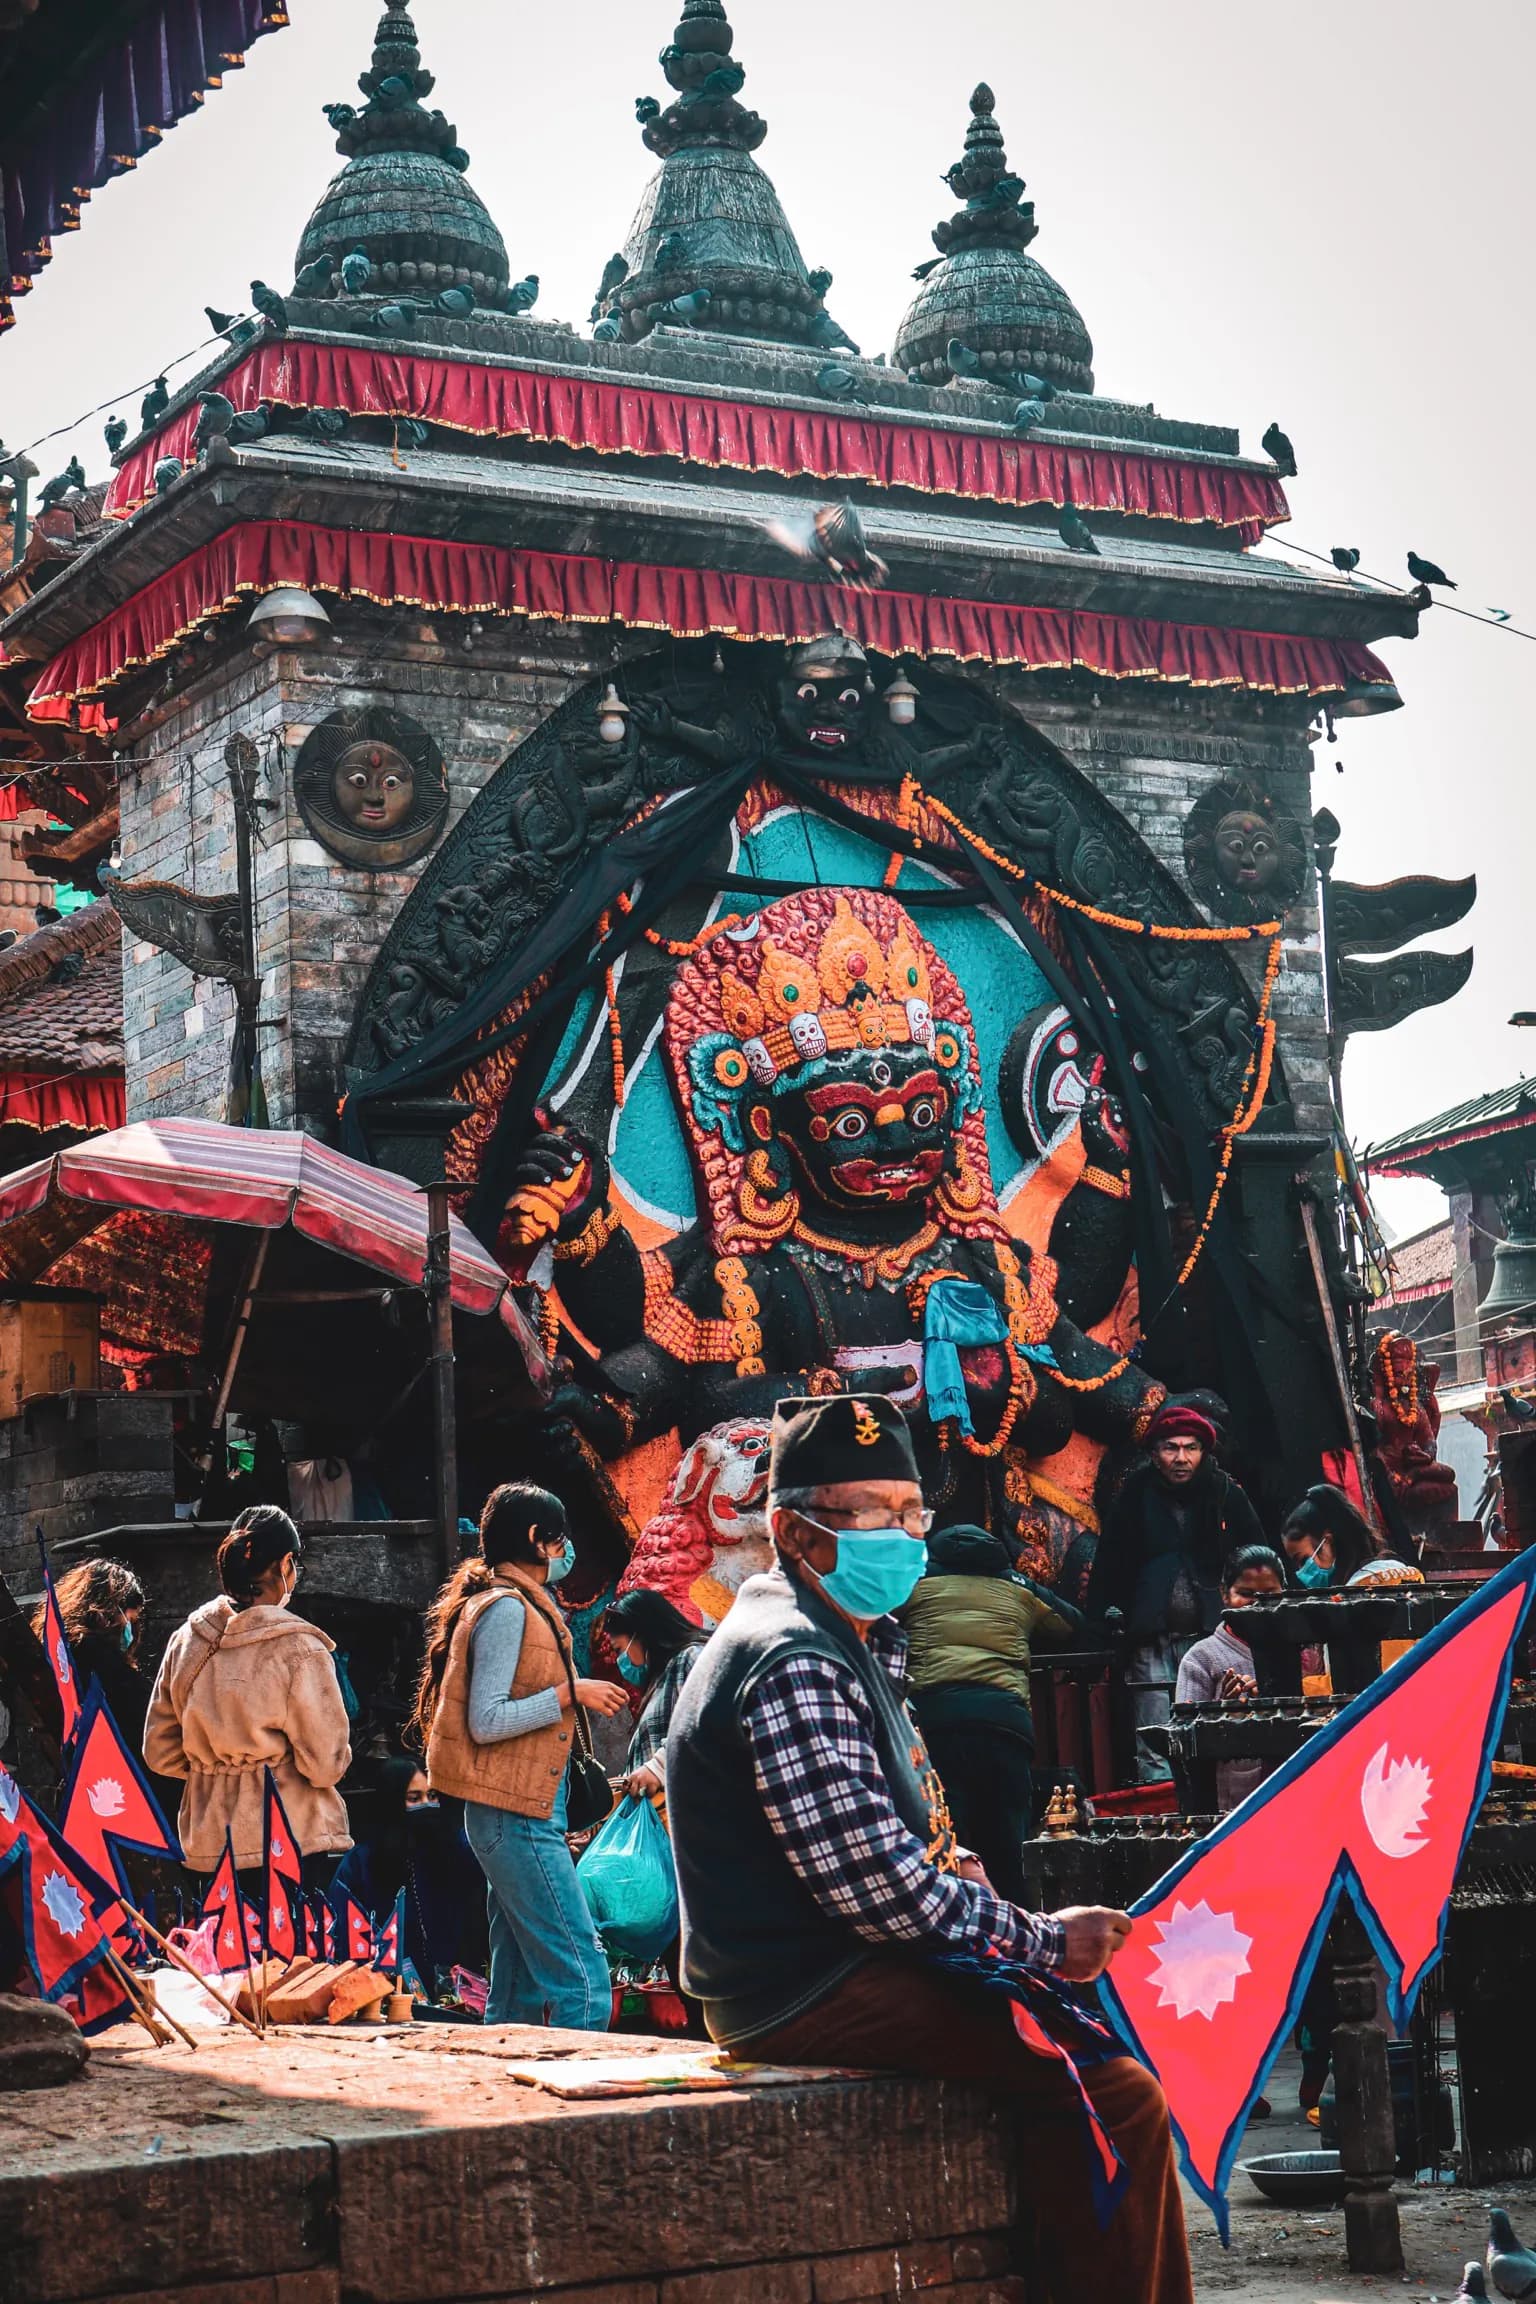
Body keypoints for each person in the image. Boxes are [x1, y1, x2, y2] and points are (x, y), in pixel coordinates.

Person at [666, 1394, 1193, 2304]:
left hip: (845, 1959)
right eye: (872, 1515)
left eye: (913, 1513)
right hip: (804, 1981)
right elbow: (874, 1888)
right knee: (1113, 2093)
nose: (903, 1537)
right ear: (795, 1533)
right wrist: (1039, 1940)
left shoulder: (844, 1636)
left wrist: (972, 1887)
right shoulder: (794, 1655)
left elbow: (902, 1839)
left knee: (1095, 2055)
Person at [414, 1482, 627, 2030]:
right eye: (562, 1540)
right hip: (518, 1817)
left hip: (518, 1813)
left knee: (516, 1994)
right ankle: (582, 2108)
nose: (566, 1552)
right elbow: (487, 1721)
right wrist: (569, 1693)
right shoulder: (508, 1610)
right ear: (537, 1539)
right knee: (583, 1979)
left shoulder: (517, 1605)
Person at [143, 1505, 351, 1891]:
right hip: (291, 1838)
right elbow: (326, 1765)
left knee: (220, 1951)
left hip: (206, 1847)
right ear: (285, 1564)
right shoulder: (300, 1649)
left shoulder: (185, 1642)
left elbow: (159, 1751)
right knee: (297, 1953)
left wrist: (214, 1768)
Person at [900, 1523, 1083, 1900]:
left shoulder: (914, 1585)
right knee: (1006, 1842)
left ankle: (955, 1932)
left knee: (945, 1835)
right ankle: (1015, 1929)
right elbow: (1071, 1626)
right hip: (1005, 1723)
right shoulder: (1018, 1589)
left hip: (937, 1722)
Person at [1085, 1402, 1266, 1782]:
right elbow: (1110, 1565)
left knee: (1217, 1730)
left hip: (1214, 1638)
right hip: (1151, 1640)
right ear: (1155, 1454)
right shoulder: (1135, 1495)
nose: (1181, 1458)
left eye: (1191, 1448)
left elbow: (1256, 1558)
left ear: (1204, 1452)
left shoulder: (1226, 1494)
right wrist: (1104, 1620)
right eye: (1171, 1448)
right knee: (1154, 1739)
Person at [329, 1752, 489, 1992]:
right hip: (386, 1992)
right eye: (414, 1798)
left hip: (462, 1990)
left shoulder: (460, 1850)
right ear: (391, 1802)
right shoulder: (362, 1862)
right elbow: (341, 1928)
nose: (427, 1805)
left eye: (432, 1795)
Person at [1174, 1545, 1288, 1812]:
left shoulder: (1303, 1647)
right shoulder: (1201, 1657)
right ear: (1225, 1594)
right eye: (1246, 1594)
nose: (1258, 1603)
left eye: (1270, 1594)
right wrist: (1221, 1709)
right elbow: (1184, 1736)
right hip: (1236, 1795)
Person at [602, 1588, 707, 1797]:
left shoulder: (691, 1658)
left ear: (641, 1635)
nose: (619, 1660)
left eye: (619, 1649)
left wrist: (658, 1767)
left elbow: (710, 1723)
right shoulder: (662, 1680)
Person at [33, 1558, 149, 1746]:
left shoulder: (62, 1651)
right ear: (109, 1610)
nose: (129, 1627)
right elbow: (144, 1714)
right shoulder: (101, 1662)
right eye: (129, 1618)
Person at [1281, 1485, 1425, 1589]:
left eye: (1304, 1560)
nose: (1301, 1572)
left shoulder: (1357, 1591)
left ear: (1328, 1542)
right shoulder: (1402, 1570)